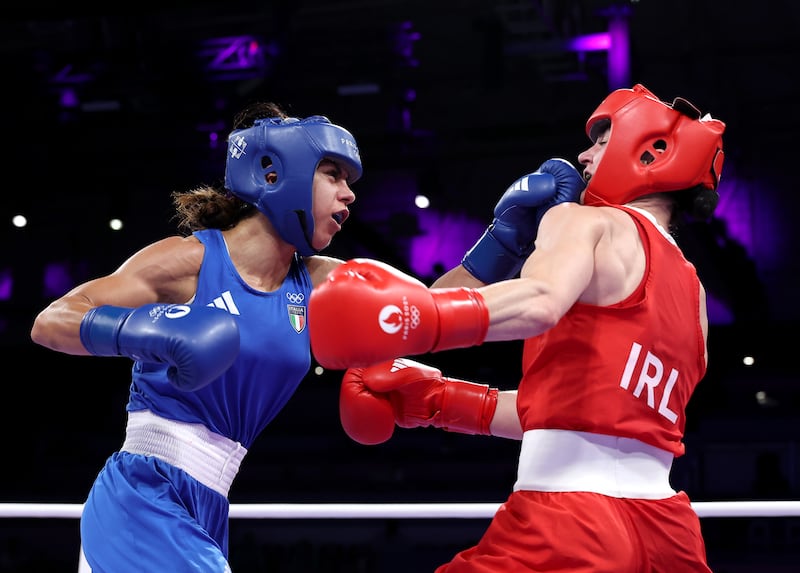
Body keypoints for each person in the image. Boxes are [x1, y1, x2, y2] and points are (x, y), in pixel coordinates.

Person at [29, 97, 586, 570]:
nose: (350, 195)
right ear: (277, 173)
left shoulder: (319, 283)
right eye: (333, 175)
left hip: (209, 502)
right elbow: (51, 321)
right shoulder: (189, 262)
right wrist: (148, 330)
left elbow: (425, 310)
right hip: (143, 493)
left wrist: (505, 239)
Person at [309, 83, 726, 572]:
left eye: (601, 141)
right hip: (668, 533)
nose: (584, 155)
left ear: (651, 151)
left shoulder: (583, 222)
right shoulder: (695, 295)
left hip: (568, 522)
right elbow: (582, 418)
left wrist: (413, 317)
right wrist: (440, 401)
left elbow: (540, 302)